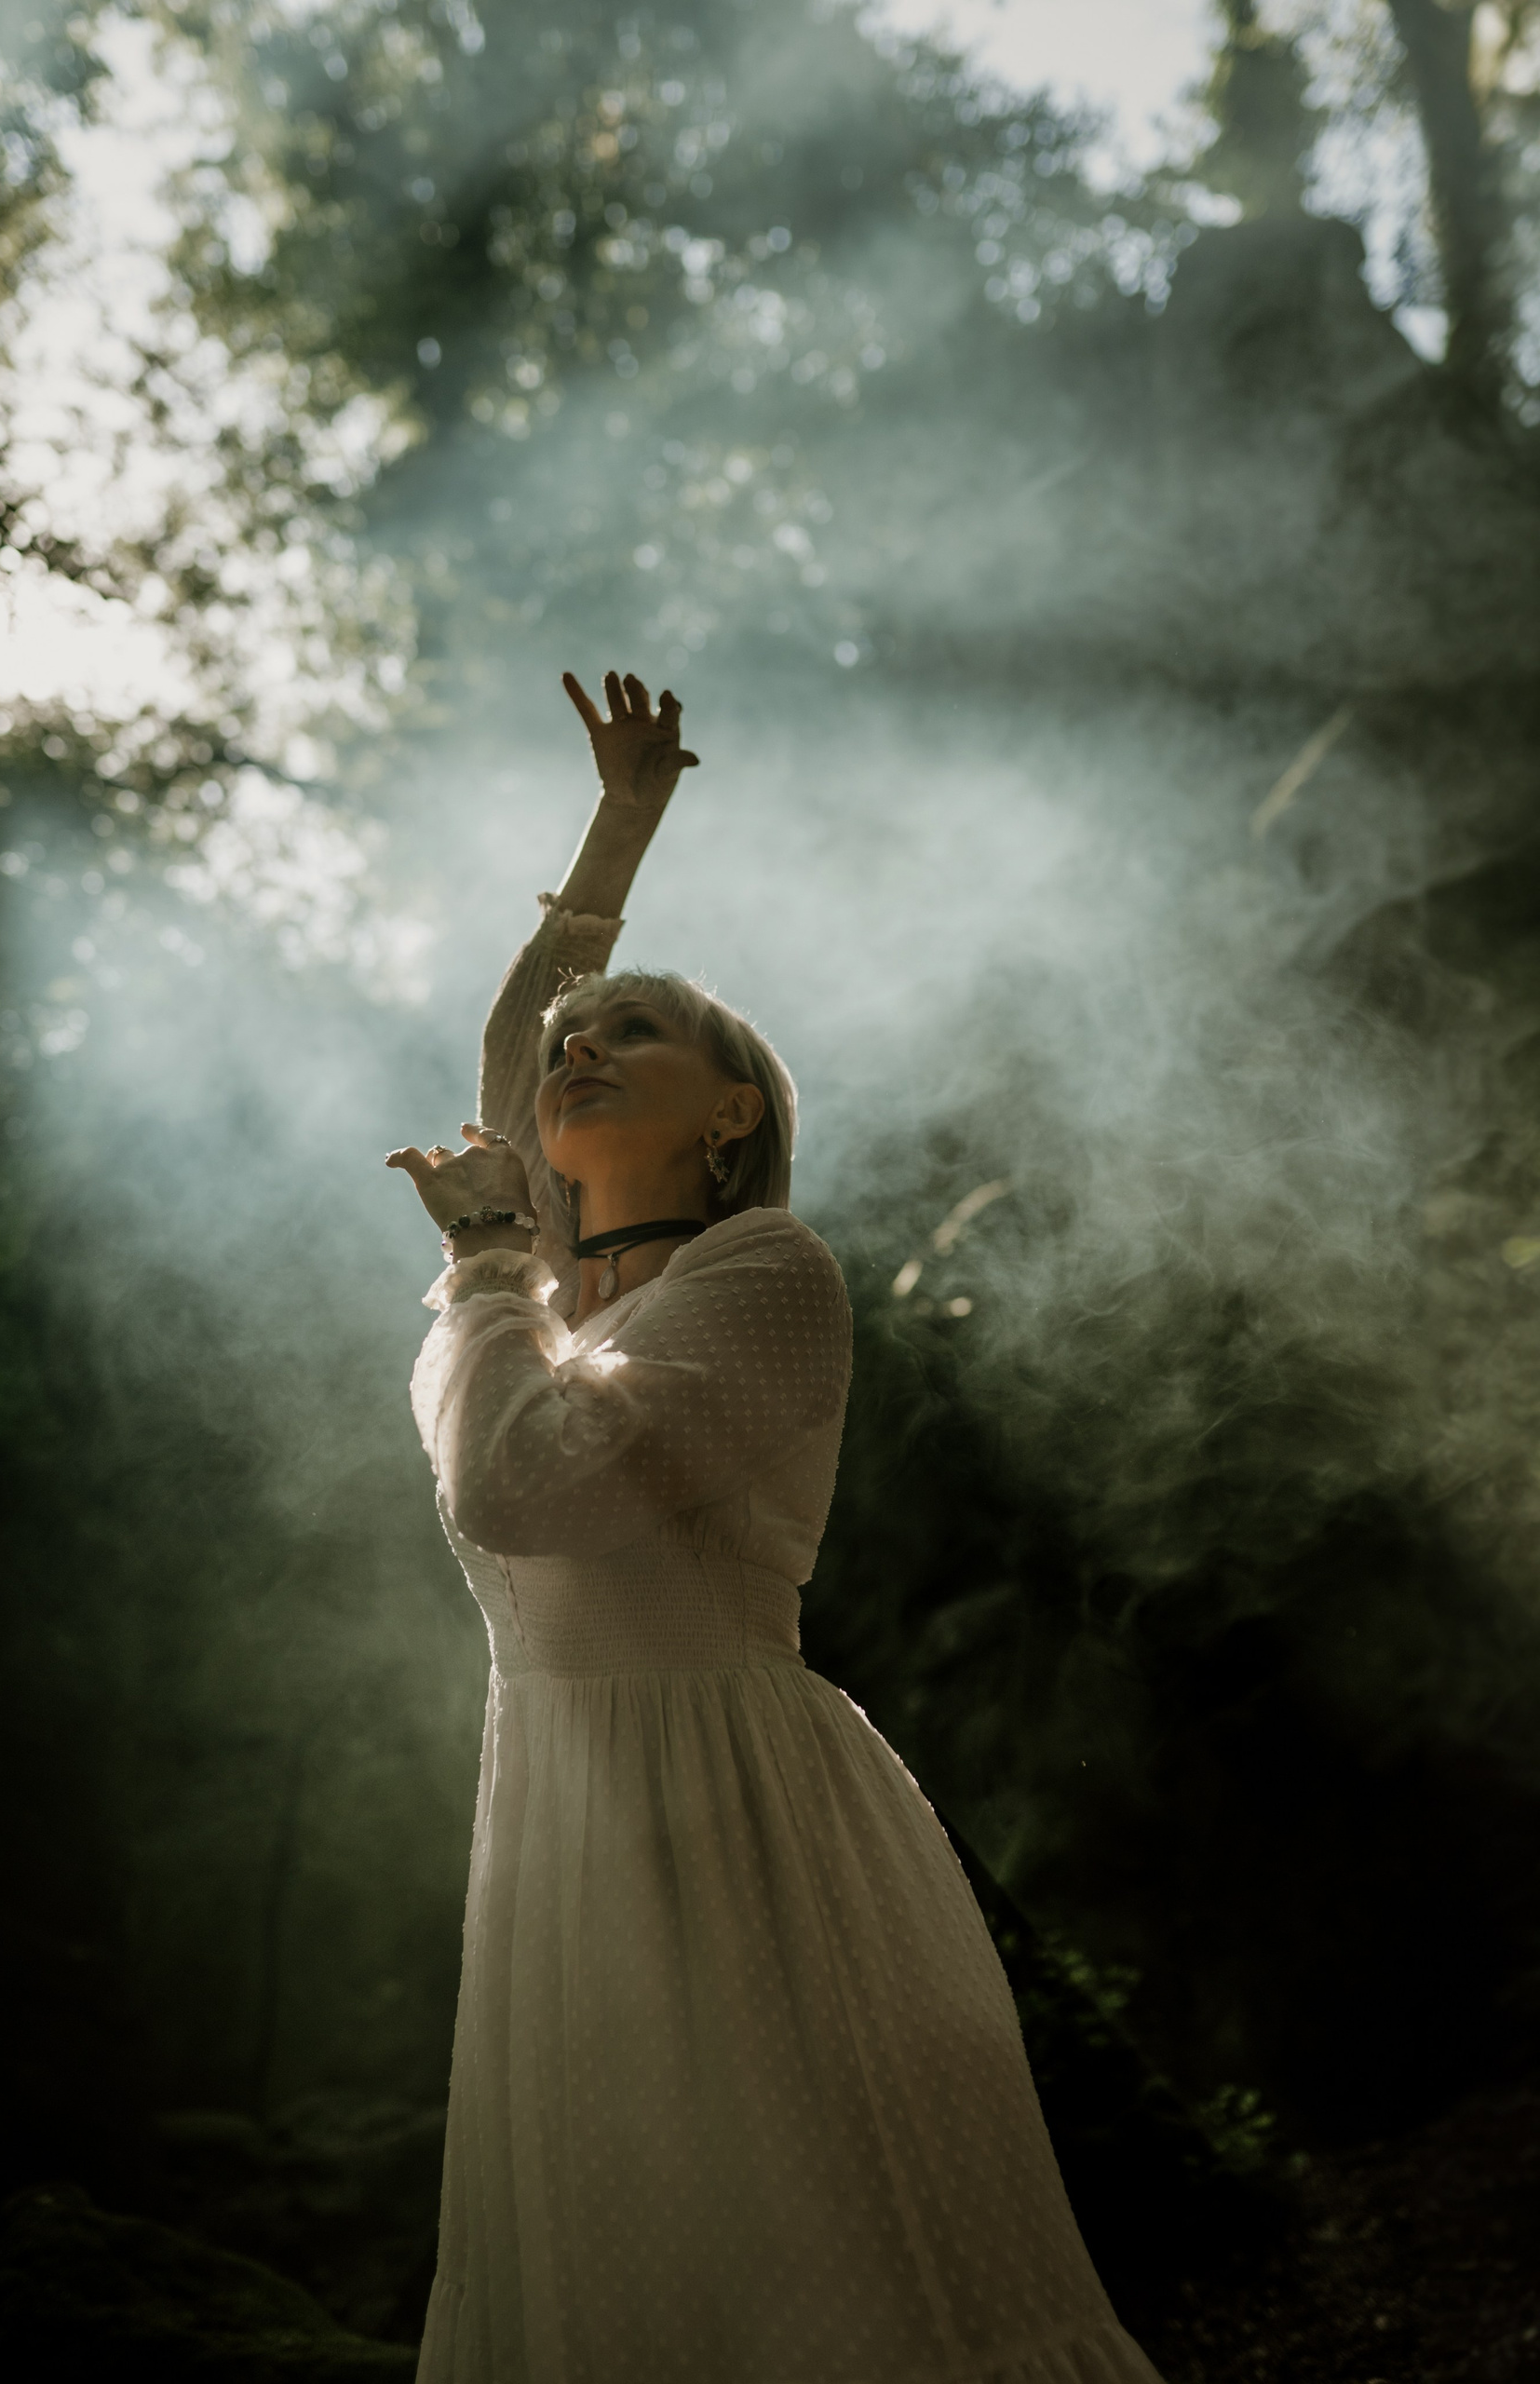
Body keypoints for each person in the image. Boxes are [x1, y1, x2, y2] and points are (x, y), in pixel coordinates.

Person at [383, 670, 1163, 2383]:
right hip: (560, 1827)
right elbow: (523, 1046)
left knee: (841, 2279)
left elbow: (516, 1486)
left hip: (730, 1807)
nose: (578, 1050)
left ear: (733, 1114)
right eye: (578, 1042)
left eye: (636, 1035)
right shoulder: (550, 1308)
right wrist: (619, 831)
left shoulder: (766, 1275)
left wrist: (485, 1259)